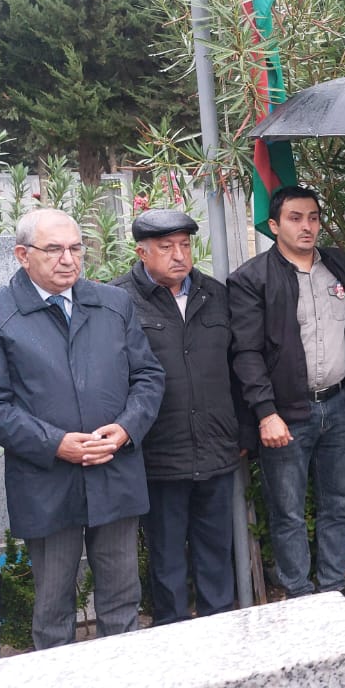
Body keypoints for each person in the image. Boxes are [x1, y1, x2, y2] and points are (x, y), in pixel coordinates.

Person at [0, 209, 165, 649]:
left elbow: (148, 376)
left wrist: (126, 429)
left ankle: (124, 674)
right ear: (22, 255)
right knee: (53, 609)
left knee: (122, 600)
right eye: (53, 249)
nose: (67, 259)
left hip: (115, 471)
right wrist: (56, 444)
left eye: (75, 248)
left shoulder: (113, 303)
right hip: (47, 481)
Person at [227, 185, 345, 619]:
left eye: (313, 217)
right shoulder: (252, 279)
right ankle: (301, 597)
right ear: (274, 225)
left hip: (339, 406)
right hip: (286, 414)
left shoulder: (336, 264)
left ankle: (333, 587)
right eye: (295, 218)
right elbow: (246, 353)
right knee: (287, 509)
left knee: (338, 502)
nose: (307, 226)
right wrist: (265, 413)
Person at [111, 210, 242, 625]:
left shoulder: (214, 293)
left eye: (185, 245)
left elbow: (238, 366)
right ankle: (172, 636)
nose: (179, 255)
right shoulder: (118, 300)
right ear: (142, 253)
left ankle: (220, 634)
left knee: (216, 553)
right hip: (159, 454)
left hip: (216, 447)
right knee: (167, 559)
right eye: (166, 247)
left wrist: (241, 432)